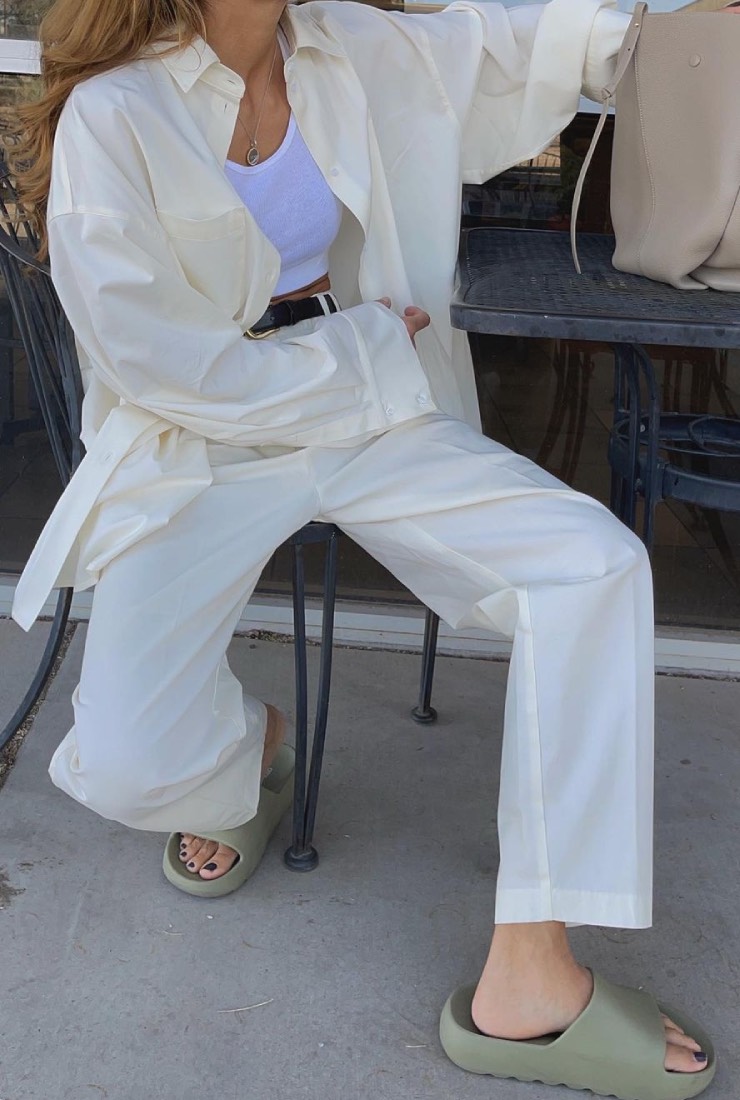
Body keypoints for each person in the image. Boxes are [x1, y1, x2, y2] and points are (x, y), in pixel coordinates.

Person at [8, 0, 733, 1094]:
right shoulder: (119, 112)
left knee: (592, 566)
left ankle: (530, 973)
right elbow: (159, 362)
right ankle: (248, 750)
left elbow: (515, 48)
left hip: (370, 408)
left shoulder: (353, 49)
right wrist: (356, 356)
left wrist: (665, 26)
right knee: (127, 764)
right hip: (205, 437)